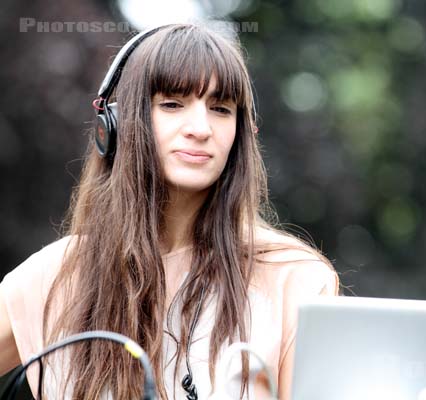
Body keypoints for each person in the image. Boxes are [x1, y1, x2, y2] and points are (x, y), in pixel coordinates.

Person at [0, 23, 339, 400]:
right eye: (172, 104)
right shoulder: (56, 276)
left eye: (221, 109)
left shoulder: (296, 278)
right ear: (117, 126)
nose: (200, 128)